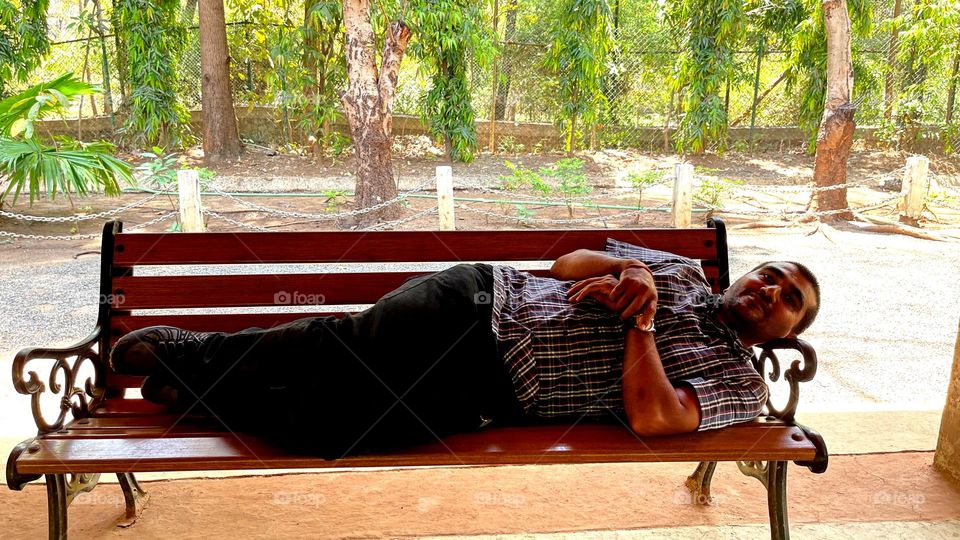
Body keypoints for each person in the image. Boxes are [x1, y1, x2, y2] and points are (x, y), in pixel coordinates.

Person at [110, 239, 820, 460]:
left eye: (789, 299)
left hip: (490, 394)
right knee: (346, 345)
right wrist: (623, 272)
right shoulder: (679, 270)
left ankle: (199, 392)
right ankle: (193, 351)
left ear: (788, 332)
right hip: (482, 302)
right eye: (771, 274)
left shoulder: (737, 382)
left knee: (335, 432)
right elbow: (566, 262)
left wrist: (642, 327)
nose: (770, 290)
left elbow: (658, 420)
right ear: (750, 273)